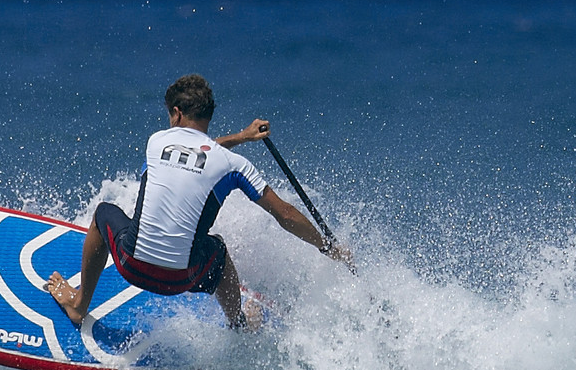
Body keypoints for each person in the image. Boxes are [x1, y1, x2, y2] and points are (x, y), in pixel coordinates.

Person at [46, 74, 353, 330]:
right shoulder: (234, 165)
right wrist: (327, 247)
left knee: (104, 212)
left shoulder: (157, 142)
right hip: (181, 280)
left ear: (176, 113)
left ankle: (78, 304)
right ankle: (238, 324)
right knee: (217, 250)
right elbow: (284, 213)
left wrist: (240, 137)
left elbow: (193, 153)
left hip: (131, 265)